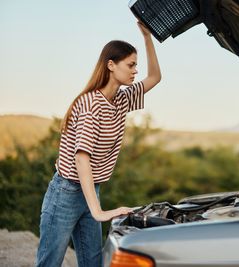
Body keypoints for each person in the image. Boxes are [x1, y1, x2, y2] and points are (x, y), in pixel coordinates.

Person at [35, 21, 161, 267]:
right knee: (50, 263)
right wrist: (98, 212)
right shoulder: (92, 103)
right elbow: (82, 158)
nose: (136, 70)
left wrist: (147, 36)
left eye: (136, 65)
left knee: (92, 263)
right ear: (111, 65)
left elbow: (155, 77)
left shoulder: (121, 100)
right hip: (66, 193)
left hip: (92, 190)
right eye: (131, 65)